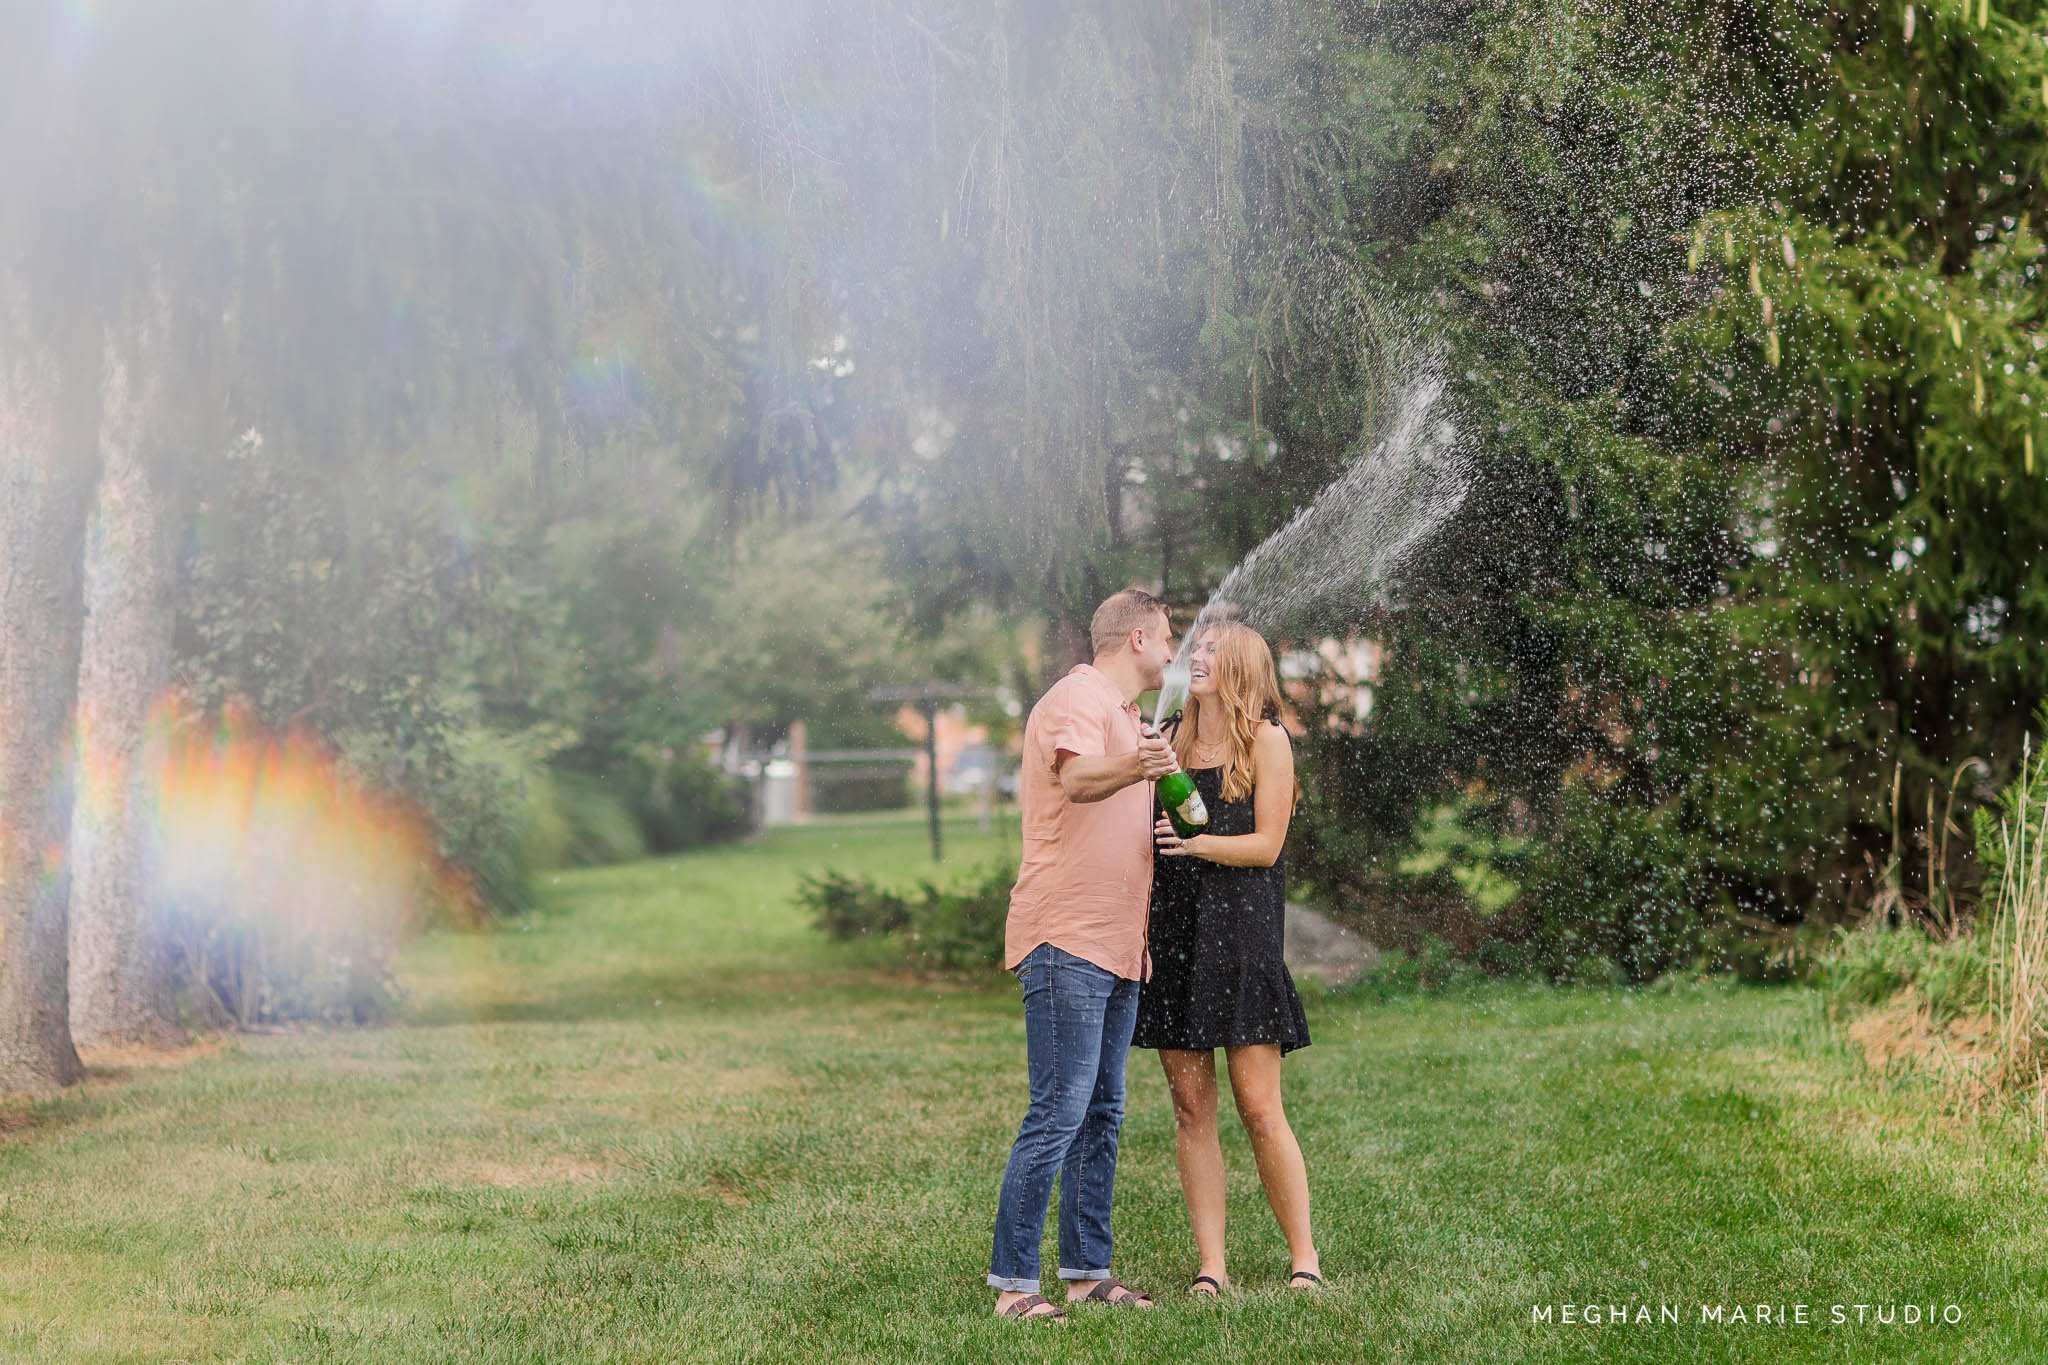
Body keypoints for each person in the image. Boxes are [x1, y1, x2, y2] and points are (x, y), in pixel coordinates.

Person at [988, 588, 1178, 1323]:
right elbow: (1075, 778)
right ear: (1137, 637)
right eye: (1167, 637)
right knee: (1059, 1110)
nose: (1172, 650)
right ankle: (1012, 1284)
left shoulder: (1131, 717)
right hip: (1065, 936)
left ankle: (1084, 1272)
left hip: (1116, 943)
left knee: (1102, 1110)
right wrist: (1137, 765)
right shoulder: (1079, 695)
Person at [1133, 619, 1321, 1296]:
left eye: (1212, 649)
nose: (1197, 656)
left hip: (1241, 942)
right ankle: (1212, 1266)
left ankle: (1305, 1259)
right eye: (1196, 648)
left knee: (1258, 1106)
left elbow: (1267, 845)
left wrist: (1197, 844)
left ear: (1242, 666)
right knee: (1190, 1106)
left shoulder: (1268, 742)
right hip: (1177, 937)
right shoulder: (1170, 741)